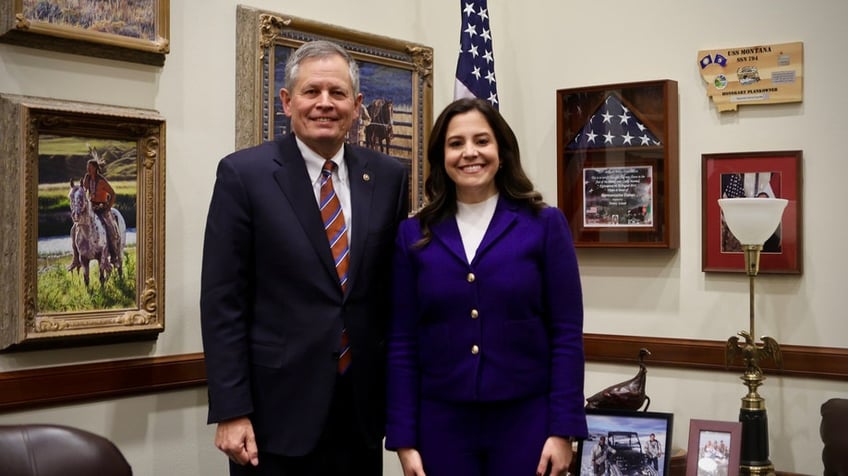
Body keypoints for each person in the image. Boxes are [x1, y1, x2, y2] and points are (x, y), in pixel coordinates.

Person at [200, 40, 409, 476]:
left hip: (361, 412)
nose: (324, 104)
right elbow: (223, 303)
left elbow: (390, 294)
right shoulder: (245, 175)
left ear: (357, 104)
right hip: (274, 417)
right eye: (312, 92)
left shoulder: (388, 177)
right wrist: (231, 409)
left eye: (337, 93)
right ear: (287, 101)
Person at [385, 98, 587, 476]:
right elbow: (402, 342)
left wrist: (564, 429)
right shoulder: (413, 234)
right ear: (441, 155)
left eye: (482, 141)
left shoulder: (544, 225)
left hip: (526, 421)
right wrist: (403, 438)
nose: (469, 153)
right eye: (456, 143)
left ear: (502, 150)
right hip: (440, 425)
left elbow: (566, 335)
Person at [81, 153, 119, 266]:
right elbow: (84, 191)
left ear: (95, 168)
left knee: (110, 228)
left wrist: (108, 208)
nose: (88, 169)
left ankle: (113, 255)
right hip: (90, 208)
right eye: (87, 167)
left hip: (102, 208)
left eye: (90, 167)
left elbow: (112, 193)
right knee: (77, 227)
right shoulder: (87, 178)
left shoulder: (102, 181)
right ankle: (77, 256)